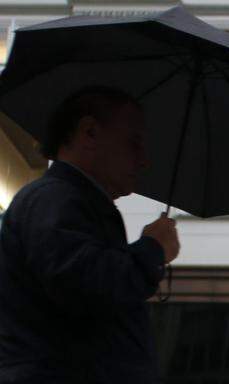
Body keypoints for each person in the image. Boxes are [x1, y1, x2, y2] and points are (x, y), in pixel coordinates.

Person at [0, 85, 180, 383]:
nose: (144, 160)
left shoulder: (69, 201)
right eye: (133, 143)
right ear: (90, 133)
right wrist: (153, 249)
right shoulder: (56, 199)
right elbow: (86, 285)